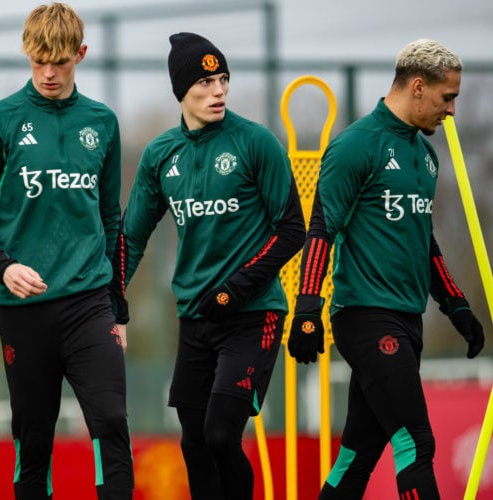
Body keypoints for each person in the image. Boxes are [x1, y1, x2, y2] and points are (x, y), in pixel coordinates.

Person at [286, 38, 485, 499]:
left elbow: (424, 242)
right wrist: (309, 309)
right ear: (418, 87)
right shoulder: (356, 147)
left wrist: (456, 306)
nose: (451, 110)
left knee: (357, 454)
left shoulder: (426, 156)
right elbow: (322, 230)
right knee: (415, 440)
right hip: (365, 317)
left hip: (407, 319)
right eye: (446, 97)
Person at [110, 32, 305, 500]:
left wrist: (236, 288)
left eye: (223, 80)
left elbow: (292, 229)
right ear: (182, 91)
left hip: (252, 314)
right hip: (194, 319)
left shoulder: (255, 142)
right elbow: (132, 235)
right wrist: (111, 299)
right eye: (205, 82)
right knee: (195, 444)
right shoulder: (161, 155)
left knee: (221, 434)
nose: (218, 91)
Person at [0, 3, 133, 499]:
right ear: (26, 54)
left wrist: (117, 301)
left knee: (112, 422)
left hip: (89, 303)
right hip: (22, 310)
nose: (49, 73)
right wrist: (3, 266)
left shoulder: (103, 122)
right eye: (39, 61)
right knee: (33, 441)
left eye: (59, 60)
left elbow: (110, 217)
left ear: (81, 53)